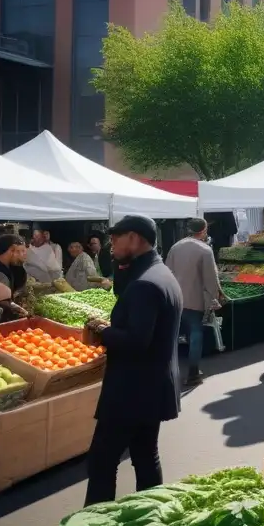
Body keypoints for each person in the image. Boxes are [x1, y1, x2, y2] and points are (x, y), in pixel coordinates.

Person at [82, 215, 183, 506]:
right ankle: (152, 516)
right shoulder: (159, 272)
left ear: (136, 239)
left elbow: (137, 341)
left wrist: (103, 331)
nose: (110, 245)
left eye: (117, 238)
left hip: (131, 389)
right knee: (145, 455)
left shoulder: (145, 284)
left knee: (101, 460)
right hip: (153, 386)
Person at [165, 218, 226, 387]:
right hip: (194, 299)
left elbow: (167, 271)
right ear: (204, 230)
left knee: (174, 336)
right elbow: (211, 279)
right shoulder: (205, 250)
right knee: (195, 334)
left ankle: (168, 372)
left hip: (176, 298)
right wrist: (216, 297)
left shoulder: (175, 247)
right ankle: (192, 373)